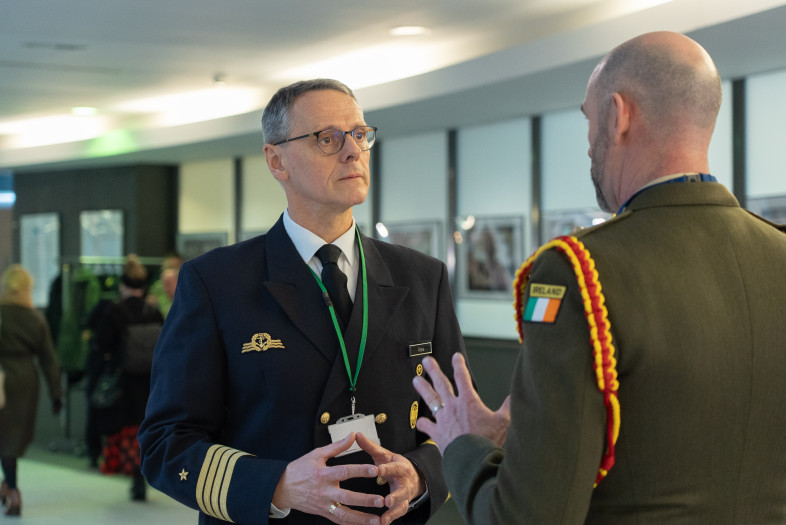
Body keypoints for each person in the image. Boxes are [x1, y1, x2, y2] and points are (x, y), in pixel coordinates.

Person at [412, 31, 786, 523]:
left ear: (618, 113)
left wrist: (465, 445)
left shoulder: (575, 273)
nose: (590, 144)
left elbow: (525, 517)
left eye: (589, 120)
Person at [138, 78, 467, 525]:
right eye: (328, 138)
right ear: (277, 160)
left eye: (360, 134)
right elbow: (166, 442)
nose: (353, 151)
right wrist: (277, 484)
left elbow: (452, 422)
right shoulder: (217, 283)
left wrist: (422, 475)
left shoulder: (422, 277)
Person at [87, 255, 163, 500]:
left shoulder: (114, 312)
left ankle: (134, 475)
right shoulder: (153, 312)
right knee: (146, 426)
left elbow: (102, 344)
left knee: (127, 429)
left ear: (122, 285)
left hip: (124, 380)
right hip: (150, 382)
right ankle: (146, 472)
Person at [0, 264, 63, 517]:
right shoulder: (35, 319)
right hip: (25, 380)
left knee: (2, 437)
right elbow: (48, 359)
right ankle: (12, 489)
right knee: (12, 438)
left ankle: (11, 488)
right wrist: (56, 393)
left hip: (1, 377)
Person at [146, 253, 183, 318]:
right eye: (170, 266)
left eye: (176, 266)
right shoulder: (157, 286)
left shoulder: (186, 287)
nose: (173, 269)